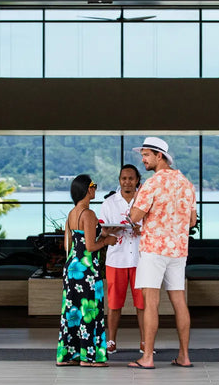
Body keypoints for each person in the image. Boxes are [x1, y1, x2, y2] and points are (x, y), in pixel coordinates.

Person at [127, 137, 198, 369]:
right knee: (179, 301)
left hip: (154, 250)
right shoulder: (186, 183)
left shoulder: (152, 183)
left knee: (151, 303)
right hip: (178, 250)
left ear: (160, 156)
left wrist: (137, 200)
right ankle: (184, 356)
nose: (143, 159)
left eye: (146, 155)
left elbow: (134, 217)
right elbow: (191, 221)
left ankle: (147, 357)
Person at [56, 173, 119, 367]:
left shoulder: (72, 213)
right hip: (87, 269)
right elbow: (91, 246)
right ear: (86, 189)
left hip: (72, 266)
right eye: (93, 185)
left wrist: (104, 232)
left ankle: (70, 355)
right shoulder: (89, 214)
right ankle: (90, 357)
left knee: (72, 310)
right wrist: (107, 240)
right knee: (91, 311)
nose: (95, 188)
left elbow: (69, 243)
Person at [98, 164, 145, 354]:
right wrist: (110, 230)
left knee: (142, 305)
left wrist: (141, 229)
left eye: (131, 178)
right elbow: (102, 232)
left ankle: (145, 342)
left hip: (141, 261)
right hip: (116, 260)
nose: (127, 182)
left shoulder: (145, 202)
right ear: (119, 180)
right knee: (114, 304)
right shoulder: (109, 203)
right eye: (124, 178)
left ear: (137, 181)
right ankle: (111, 341)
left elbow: (151, 228)